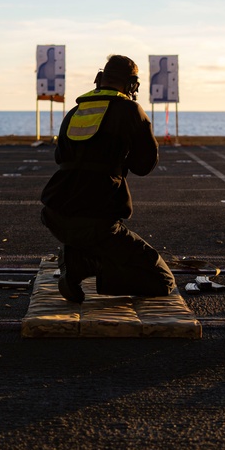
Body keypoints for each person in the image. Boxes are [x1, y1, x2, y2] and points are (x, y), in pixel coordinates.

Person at [41, 54, 176, 302]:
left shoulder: (75, 111)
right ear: (132, 84)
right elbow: (144, 165)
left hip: (55, 216)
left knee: (93, 234)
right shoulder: (130, 110)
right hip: (96, 223)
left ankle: (78, 254)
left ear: (100, 79)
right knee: (163, 280)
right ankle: (82, 265)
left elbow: (61, 156)